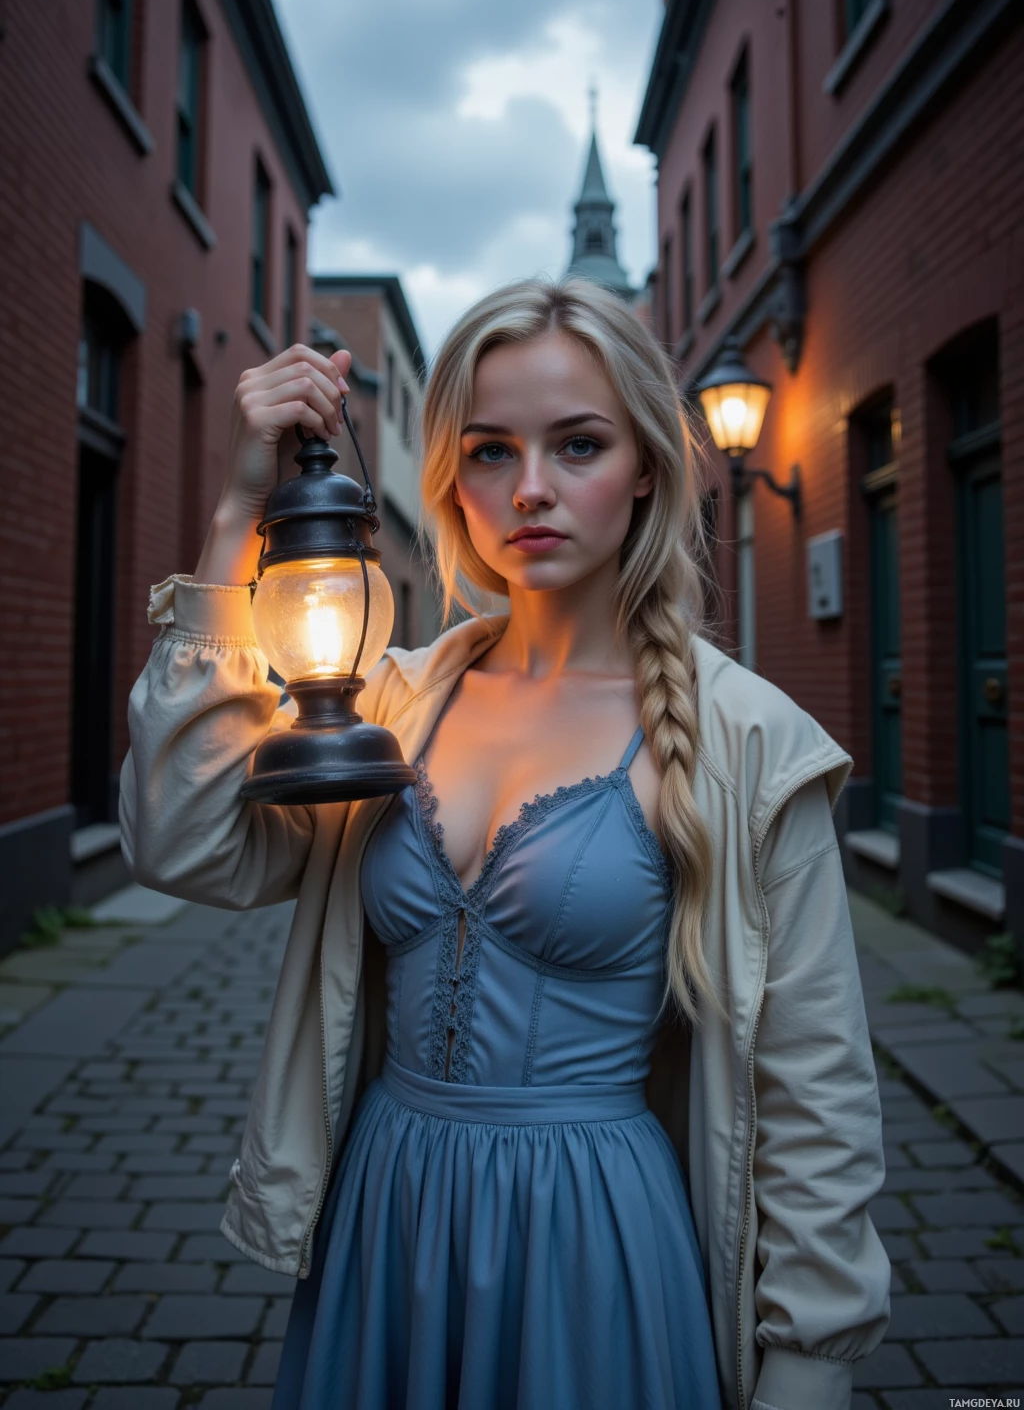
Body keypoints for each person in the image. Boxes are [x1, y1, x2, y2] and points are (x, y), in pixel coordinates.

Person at [120, 276, 890, 1410]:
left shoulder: (744, 744)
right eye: (489, 452)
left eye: (577, 444)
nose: (530, 489)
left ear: (645, 467)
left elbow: (816, 1104)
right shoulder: (386, 703)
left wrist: (806, 1369)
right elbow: (180, 840)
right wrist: (242, 507)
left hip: (595, 1245)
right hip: (382, 1225)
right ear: (450, 481)